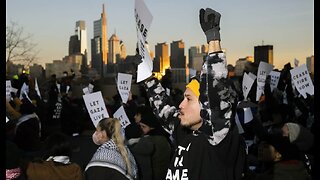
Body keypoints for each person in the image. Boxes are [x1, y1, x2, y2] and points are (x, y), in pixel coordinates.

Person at [137, 8, 246, 180]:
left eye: (188, 99)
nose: (180, 104)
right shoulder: (184, 130)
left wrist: (213, 40)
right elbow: (163, 107)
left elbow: (217, 99)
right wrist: (147, 78)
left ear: (206, 105)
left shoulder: (218, 138)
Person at [129, 105, 172, 180]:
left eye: (143, 127)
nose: (141, 129)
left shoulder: (149, 141)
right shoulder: (163, 137)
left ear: (151, 127)